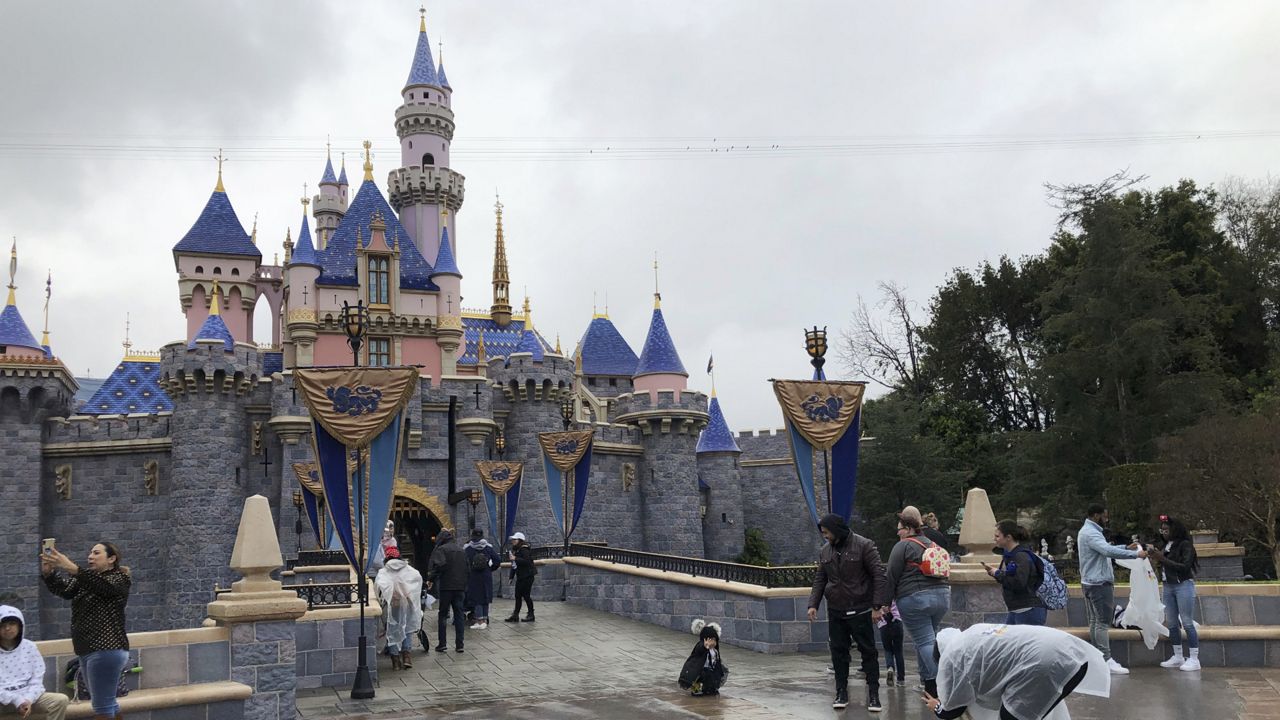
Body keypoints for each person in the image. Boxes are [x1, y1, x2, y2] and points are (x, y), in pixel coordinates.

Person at [922, 624, 1110, 720]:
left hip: (1044, 663)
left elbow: (954, 708)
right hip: (1073, 655)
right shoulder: (973, 633)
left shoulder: (952, 655)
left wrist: (937, 706)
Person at [806, 513, 890, 712]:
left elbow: (878, 575)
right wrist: (813, 604)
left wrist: (877, 606)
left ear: (835, 530)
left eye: (826, 532)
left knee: (868, 652)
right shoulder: (825, 551)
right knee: (838, 653)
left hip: (860, 608)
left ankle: (874, 695)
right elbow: (820, 579)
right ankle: (841, 692)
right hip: (836, 609)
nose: (825, 536)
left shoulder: (864, 545)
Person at [40, 542, 131, 720]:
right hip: (87, 649)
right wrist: (49, 574)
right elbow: (66, 590)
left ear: (111, 559)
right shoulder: (86, 580)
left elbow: (102, 587)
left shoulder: (118, 578)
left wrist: (71, 567)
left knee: (102, 707)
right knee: (107, 703)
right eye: (90, 552)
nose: (90, 556)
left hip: (106, 649)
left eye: (96, 553)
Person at [886, 510, 950, 698]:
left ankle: (943, 684)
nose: (898, 533)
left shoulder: (903, 546)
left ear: (908, 529)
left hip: (914, 598)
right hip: (942, 596)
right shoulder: (932, 543)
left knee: (924, 642)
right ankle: (928, 684)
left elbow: (891, 576)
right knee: (929, 640)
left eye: (899, 529)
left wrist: (884, 603)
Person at [1076, 504, 1145, 675]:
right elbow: (1106, 550)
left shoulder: (1088, 531)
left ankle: (1097, 657)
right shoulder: (1091, 532)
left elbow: (1102, 549)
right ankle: (1105, 660)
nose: (1106, 519)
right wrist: (1135, 555)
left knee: (1094, 621)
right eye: (1104, 516)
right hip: (1099, 584)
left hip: (1090, 582)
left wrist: (1124, 548)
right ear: (1095, 515)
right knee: (1102, 623)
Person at [1147, 515, 1201, 672]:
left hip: (1183, 585)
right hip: (1168, 586)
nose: (1163, 532)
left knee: (1187, 622)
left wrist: (1161, 558)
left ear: (1174, 530)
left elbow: (1184, 567)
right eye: (1161, 530)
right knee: (1171, 622)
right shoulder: (1167, 546)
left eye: (1166, 530)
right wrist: (1156, 556)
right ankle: (1178, 655)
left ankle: (1194, 658)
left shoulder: (1185, 545)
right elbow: (1164, 562)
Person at [0, 605, 69, 720]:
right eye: (2, 625)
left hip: (29, 697)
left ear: (20, 625)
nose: (7, 628)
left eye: (12, 624)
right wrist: (17, 700)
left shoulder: (30, 647)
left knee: (60, 700)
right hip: (3, 701)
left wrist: (28, 700)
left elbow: (37, 679)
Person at [982, 520, 1046, 625]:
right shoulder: (1010, 556)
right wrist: (995, 573)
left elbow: (1019, 583)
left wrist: (998, 573)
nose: (994, 539)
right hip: (1017, 609)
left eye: (997, 536)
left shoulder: (1021, 556)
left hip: (1028, 609)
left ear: (1008, 537)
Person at [374, 546, 424, 670]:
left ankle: (395, 661)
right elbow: (418, 579)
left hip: (390, 606)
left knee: (391, 629)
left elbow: (378, 587)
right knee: (406, 628)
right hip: (406, 604)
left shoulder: (384, 571)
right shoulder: (408, 569)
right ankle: (406, 657)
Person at [425, 529, 468, 653]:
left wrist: (430, 579)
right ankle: (460, 645)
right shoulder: (461, 550)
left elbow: (439, 566)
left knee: (443, 614)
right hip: (460, 587)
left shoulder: (441, 550)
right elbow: (467, 568)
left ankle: (442, 643)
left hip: (446, 587)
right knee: (459, 614)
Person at [678, 620, 728, 697]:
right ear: (705, 639)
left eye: (715, 640)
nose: (713, 642)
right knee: (699, 678)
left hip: (710, 669)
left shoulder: (714, 650)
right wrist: (706, 646)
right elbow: (699, 650)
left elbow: (716, 659)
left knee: (712, 678)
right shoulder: (701, 646)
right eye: (710, 640)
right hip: (699, 668)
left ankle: (710, 689)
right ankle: (696, 689)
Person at [463, 529, 501, 629]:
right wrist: (490, 569)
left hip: (474, 576)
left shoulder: (468, 549)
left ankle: (479, 621)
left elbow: (464, 563)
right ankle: (484, 619)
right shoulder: (488, 547)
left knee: (477, 598)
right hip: (486, 575)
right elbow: (497, 560)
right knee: (485, 597)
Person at [504, 532, 537, 623]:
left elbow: (526, 561)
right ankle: (515, 615)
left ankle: (531, 614)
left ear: (520, 540)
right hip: (521, 576)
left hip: (527, 576)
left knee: (526, 595)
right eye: (513, 540)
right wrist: (511, 577)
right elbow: (514, 565)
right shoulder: (516, 550)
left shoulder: (524, 550)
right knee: (517, 595)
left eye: (515, 539)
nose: (513, 541)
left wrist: (515, 558)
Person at [876, 601, 905, 688]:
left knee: (888, 650)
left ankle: (890, 668)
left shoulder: (879, 595)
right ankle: (900, 679)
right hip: (897, 622)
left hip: (883, 624)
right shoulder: (895, 593)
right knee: (898, 651)